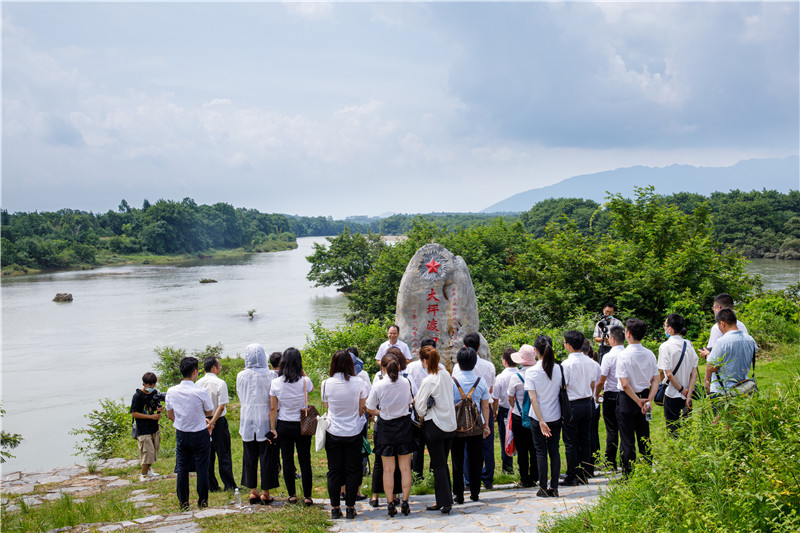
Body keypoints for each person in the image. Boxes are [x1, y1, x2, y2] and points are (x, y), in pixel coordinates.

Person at [366, 354, 416, 517]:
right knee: (405, 468)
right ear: (399, 368)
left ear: (384, 369)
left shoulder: (379, 385)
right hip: (404, 426)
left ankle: (389, 503)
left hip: (386, 427)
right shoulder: (405, 382)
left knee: (388, 470)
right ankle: (406, 502)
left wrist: (380, 412)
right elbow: (410, 401)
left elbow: (369, 407)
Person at [322, 350, 369, 520]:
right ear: (351, 364)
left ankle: (335, 508)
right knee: (352, 470)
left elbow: (326, 406)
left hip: (333, 431)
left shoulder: (326, 383)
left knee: (334, 471)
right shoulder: (359, 383)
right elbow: (361, 408)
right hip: (353, 431)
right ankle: (350, 507)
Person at [165, 357, 214, 510]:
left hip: (182, 433)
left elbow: (169, 414)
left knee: (182, 468)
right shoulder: (200, 391)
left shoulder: (171, 391)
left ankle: (183, 503)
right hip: (199, 433)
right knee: (202, 468)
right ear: (194, 372)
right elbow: (209, 411)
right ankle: (202, 501)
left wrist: (180, 420)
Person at [269, 347, 315, 505]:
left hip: (284, 424)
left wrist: (273, 427)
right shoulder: (305, 381)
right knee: (305, 460)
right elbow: (310, 390)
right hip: (303, 424)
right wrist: (303, 372)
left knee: (287, 460)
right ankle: (308, 496)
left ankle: (292, 495)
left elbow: (273, 408)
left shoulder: (275, 383)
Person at [414, 346, 456, 514]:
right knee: (442, 463)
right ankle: (445, 499)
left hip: (435, 425)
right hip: (450, 425)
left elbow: (419, 405)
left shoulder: (429, 380)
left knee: (438, 465)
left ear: (424, 361)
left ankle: (445, 502)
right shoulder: (446, 375)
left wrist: (423, 414)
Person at [236, 343, 279, 505]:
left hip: (247, 418)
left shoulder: (241, 376)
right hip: (265, 419)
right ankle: (265, 492)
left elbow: (240, 395)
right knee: (267, 456)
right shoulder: (271, 375)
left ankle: (253, 490)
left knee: (249, 456)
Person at [616, 319, 659, 478]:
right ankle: (648, 471)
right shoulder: (649, 353)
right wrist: (648, 399)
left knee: (627, 439)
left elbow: (625, 384)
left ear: (627, 334)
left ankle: (628, 475)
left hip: (628, 399)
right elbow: (656, 379)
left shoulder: (624, 355)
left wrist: (636, 400)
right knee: (644, 437)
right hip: (645, 397)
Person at [453, 333, 496, 489]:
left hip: (463, 413)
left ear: (464, 347)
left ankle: (469, 480)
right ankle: (487, 478)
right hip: (484, 410)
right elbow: (491, 389)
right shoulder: (489, 366)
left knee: (465, 447)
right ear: (479, 346)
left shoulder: (457, 367)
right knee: (487, 446)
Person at [525, 336, 563, 497]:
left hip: (537, 417)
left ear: (535, 351)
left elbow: (533, 398)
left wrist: (541, 420)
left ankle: (543, 488)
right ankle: (554, 487)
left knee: (541, 452)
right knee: (554, 450)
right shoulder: (559, 368)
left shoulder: (531, 371)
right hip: (556, 415)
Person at [560, 330, 596, 486]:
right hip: (588, 402)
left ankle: (571, 474)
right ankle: (584, 473)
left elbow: (564, 385)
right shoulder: (591, 362)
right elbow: (593, 382)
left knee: (570, 441)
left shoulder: (566, 364)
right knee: (585, 439)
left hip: (573, 404)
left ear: (568, 345)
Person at [196, 356, 237, 493]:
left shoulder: (198, 383)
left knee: (208, 453)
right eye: (219, 365)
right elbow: (221, 406)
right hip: (217, 421)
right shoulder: (220, 383)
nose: (220, 367)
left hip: (203, 421)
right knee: (223, 453)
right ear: (214, 367)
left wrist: (206, 421)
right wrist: (213, 422)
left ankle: (211, 484)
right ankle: (229, 484)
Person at [406, 338, 443, 480]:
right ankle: (418, 475)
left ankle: (431, 474)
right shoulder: (412, 368)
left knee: (431, 444)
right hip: (418, 410)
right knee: (418, 445)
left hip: (432, 411)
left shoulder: (441, 369)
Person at [657, 314, 699, 436]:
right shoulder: (688, 344)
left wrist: (681, 390)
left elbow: (668, 374)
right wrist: (689, 393)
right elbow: (694, 372)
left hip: (672, 393)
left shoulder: (665, 346)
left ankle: (676, 453)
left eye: (665, 325)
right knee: (687, 428)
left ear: (670, 329)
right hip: (688, 395)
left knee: (673, 429)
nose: (664, 328)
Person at [705, 309, 758, 398]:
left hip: (723, 392)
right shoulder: (750, 340)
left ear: (722, 324)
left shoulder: (722, 342)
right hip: (745, 388)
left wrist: (707, 355)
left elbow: (712, 367)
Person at [594, 325, 625, 471]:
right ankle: (626, 460)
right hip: (626, 393)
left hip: (611, 394)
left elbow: (601, 379)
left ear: (611, 339)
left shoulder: (609, 356)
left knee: (612, 429)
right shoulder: (627, 353)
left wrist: (596, 393)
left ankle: (610, 461)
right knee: (625, 429)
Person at [506, 344, 537, 487]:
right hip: (536, 415)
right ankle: (536, 476)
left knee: (522, 449)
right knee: (535, 447)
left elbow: (510, 397)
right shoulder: (538, 373)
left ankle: (524, 478)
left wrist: (515, 407)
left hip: (519, 416)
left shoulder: (516, 377)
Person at [130, 372, 164, 482]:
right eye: (149, 385)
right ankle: (143, 475)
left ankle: (149, 470)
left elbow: (156, 406)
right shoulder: (138, 396)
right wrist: (150, 417)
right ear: (144, 384)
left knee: (154, 450)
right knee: (147, 452)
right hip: (143, 428)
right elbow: (134, 413)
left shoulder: (154, 393)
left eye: (153, 385)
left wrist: (159, 409)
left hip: (154, 427)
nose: (152, 387)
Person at [493, 348, 519, 475]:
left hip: (504, 410)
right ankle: (522, 466)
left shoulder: (501, 377)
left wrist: (494, 412)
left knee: (505, 439)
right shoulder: (520, 374)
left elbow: (495, 398)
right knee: (521, 439)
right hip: (519, 409)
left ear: (504, 361)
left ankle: (508, 469)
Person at [699, 293, 749, 358]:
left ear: (719, 308)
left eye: (713, 307)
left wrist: (706, 355)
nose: (713, 310)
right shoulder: (741, 325)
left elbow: (714, 355)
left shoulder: (717, 327)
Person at [582, 340, 602, 478]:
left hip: (582, 402)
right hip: (594, 403)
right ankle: (592, 464)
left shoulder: (569, 364)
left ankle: (582, 465)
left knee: (582, 436)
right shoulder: (595, 365)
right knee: (593, 433)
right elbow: (600, 383)